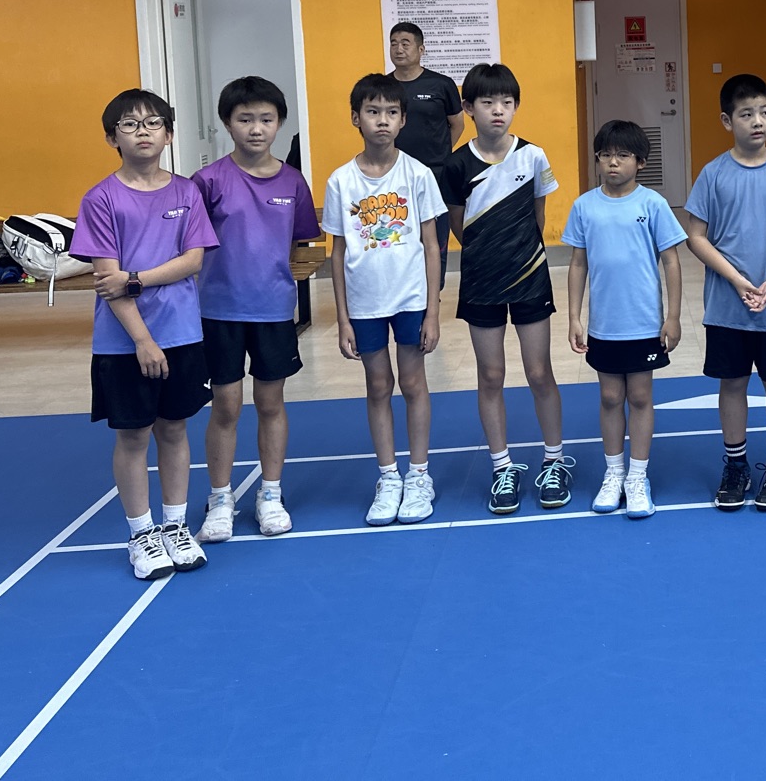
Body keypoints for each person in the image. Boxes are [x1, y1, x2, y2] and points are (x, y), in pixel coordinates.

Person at [72, 91, 218, 580]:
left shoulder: (186, 193)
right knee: (134, 435)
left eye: (154, 123)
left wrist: (134, 279)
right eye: (130, 125)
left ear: (169, 135)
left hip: (181, 332)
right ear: (111, 137)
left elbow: (192, 261)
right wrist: (142, 340)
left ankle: (175, 526)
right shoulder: (100, 199)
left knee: (174, 428)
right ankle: (141, 533)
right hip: (123, 341)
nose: (143, 132)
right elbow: (105, 281)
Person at [192, 77, 321, 542]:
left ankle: (270, 493)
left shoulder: (293, 181)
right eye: (245, 119)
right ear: (227, 123)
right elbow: (190, 246)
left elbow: (301, 243)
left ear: (279, 123)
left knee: (270, 402)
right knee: (226, 406)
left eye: (266, 119)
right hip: (219, 311)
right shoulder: (207, 182)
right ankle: (220, 498)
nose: (256, 128)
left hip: (273, 311)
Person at [440, 62, 570, 515]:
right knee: (491, 375)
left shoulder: (533, 156)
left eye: (507, 102)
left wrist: (519, 254)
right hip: (480, 281)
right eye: (488, 102)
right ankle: (502, 467)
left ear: (515, 107)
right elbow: (459, 225)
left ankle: (554, 461)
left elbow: (538, 215)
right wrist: (489, 254)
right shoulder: (456, 165)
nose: (498, 110)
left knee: (539, 372)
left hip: (530, 276)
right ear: (468, 108)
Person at [683, 74, 766, 513]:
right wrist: (738, 280)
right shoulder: (713, 174)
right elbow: (696, 237)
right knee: (733, 382)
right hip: (727, 307)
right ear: (727, 121)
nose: (758, 121)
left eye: (764, 112)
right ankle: (736, 465)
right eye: (746, 114)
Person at [324, 73, 445, 527]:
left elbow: (432, 245)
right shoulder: (341, 181)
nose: (382, 120)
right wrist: (342, 318)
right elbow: (337, 253)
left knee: (413, 383)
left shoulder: (418, 174)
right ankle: (389, 477)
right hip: (364, 303)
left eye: (392, 113)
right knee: (378, 385)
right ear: (356, 118)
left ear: (403, 120)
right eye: (373, 112)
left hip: (411, 298)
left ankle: (419, 476)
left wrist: (433, 311)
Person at [563, 120, 687, 520]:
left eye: (623, 155)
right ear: (597, 159)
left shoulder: (652, 204)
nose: (613, 162)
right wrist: (574, 317)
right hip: (604, 326)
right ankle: (614, 472)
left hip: (644, 323)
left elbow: (671, 261)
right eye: (606, 155)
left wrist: (672, 317)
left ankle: (637, 476)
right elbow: (577, 264)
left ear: (640, 162)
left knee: (640, 397)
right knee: (610, 397)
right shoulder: (584, 206)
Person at [388, 22, 465, 189]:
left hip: (436, 170)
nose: (398, 49)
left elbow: (457, 124)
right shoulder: (384, 86)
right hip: (395, 169)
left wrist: (441, 153)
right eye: (393, 44)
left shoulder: (442, 84)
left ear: (421, 50)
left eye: (405, 44)